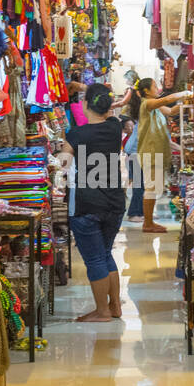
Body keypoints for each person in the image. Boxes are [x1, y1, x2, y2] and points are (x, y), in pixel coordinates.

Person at [62, 83, 127, 322]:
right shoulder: (114, 127)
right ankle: (114, 306)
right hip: (114, 202)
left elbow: (63, 164)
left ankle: (102, 312)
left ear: (86, 104)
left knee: (95, 259)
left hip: (87, 205)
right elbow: (107, 113)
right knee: (105, 253)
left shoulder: (77, 135)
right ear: (108, 106)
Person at [128, 78, 190, 233]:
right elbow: (168, 99)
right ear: (147, 91)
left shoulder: (155, 107)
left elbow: (170, 111)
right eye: (155, 86)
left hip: (156, 152)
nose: (158, 88)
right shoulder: (147, 104)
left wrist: (186, 103)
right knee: (150, 188)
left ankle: (149, 222)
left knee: (154, 188)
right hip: (150, 152)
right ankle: (147, 223)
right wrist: (184, 93)